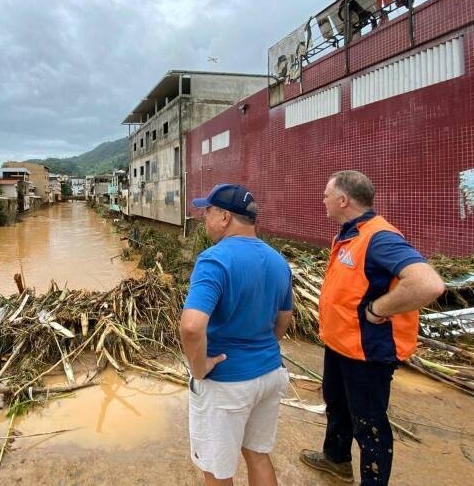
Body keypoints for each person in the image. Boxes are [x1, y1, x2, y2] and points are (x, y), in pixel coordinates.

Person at [300, 171, 445, 485]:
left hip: (366, 352)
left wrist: (379, 309)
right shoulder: (350, 233)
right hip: (341, 344)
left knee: (369, 424)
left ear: (343, 199)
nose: (322, 200)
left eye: (326, 194)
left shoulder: (380, 237)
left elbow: (428, 284)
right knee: (337, 405)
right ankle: (336, 460)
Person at [180, 183, 293, 486]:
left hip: (228, 383)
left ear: (226, 218)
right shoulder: (278, 261)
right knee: (257, 454)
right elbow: (283, 321)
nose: (204, 218)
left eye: (208, 212)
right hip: (269, 373)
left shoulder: (214, 259)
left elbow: (191, 326)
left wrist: (199, 366)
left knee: (217, 469)